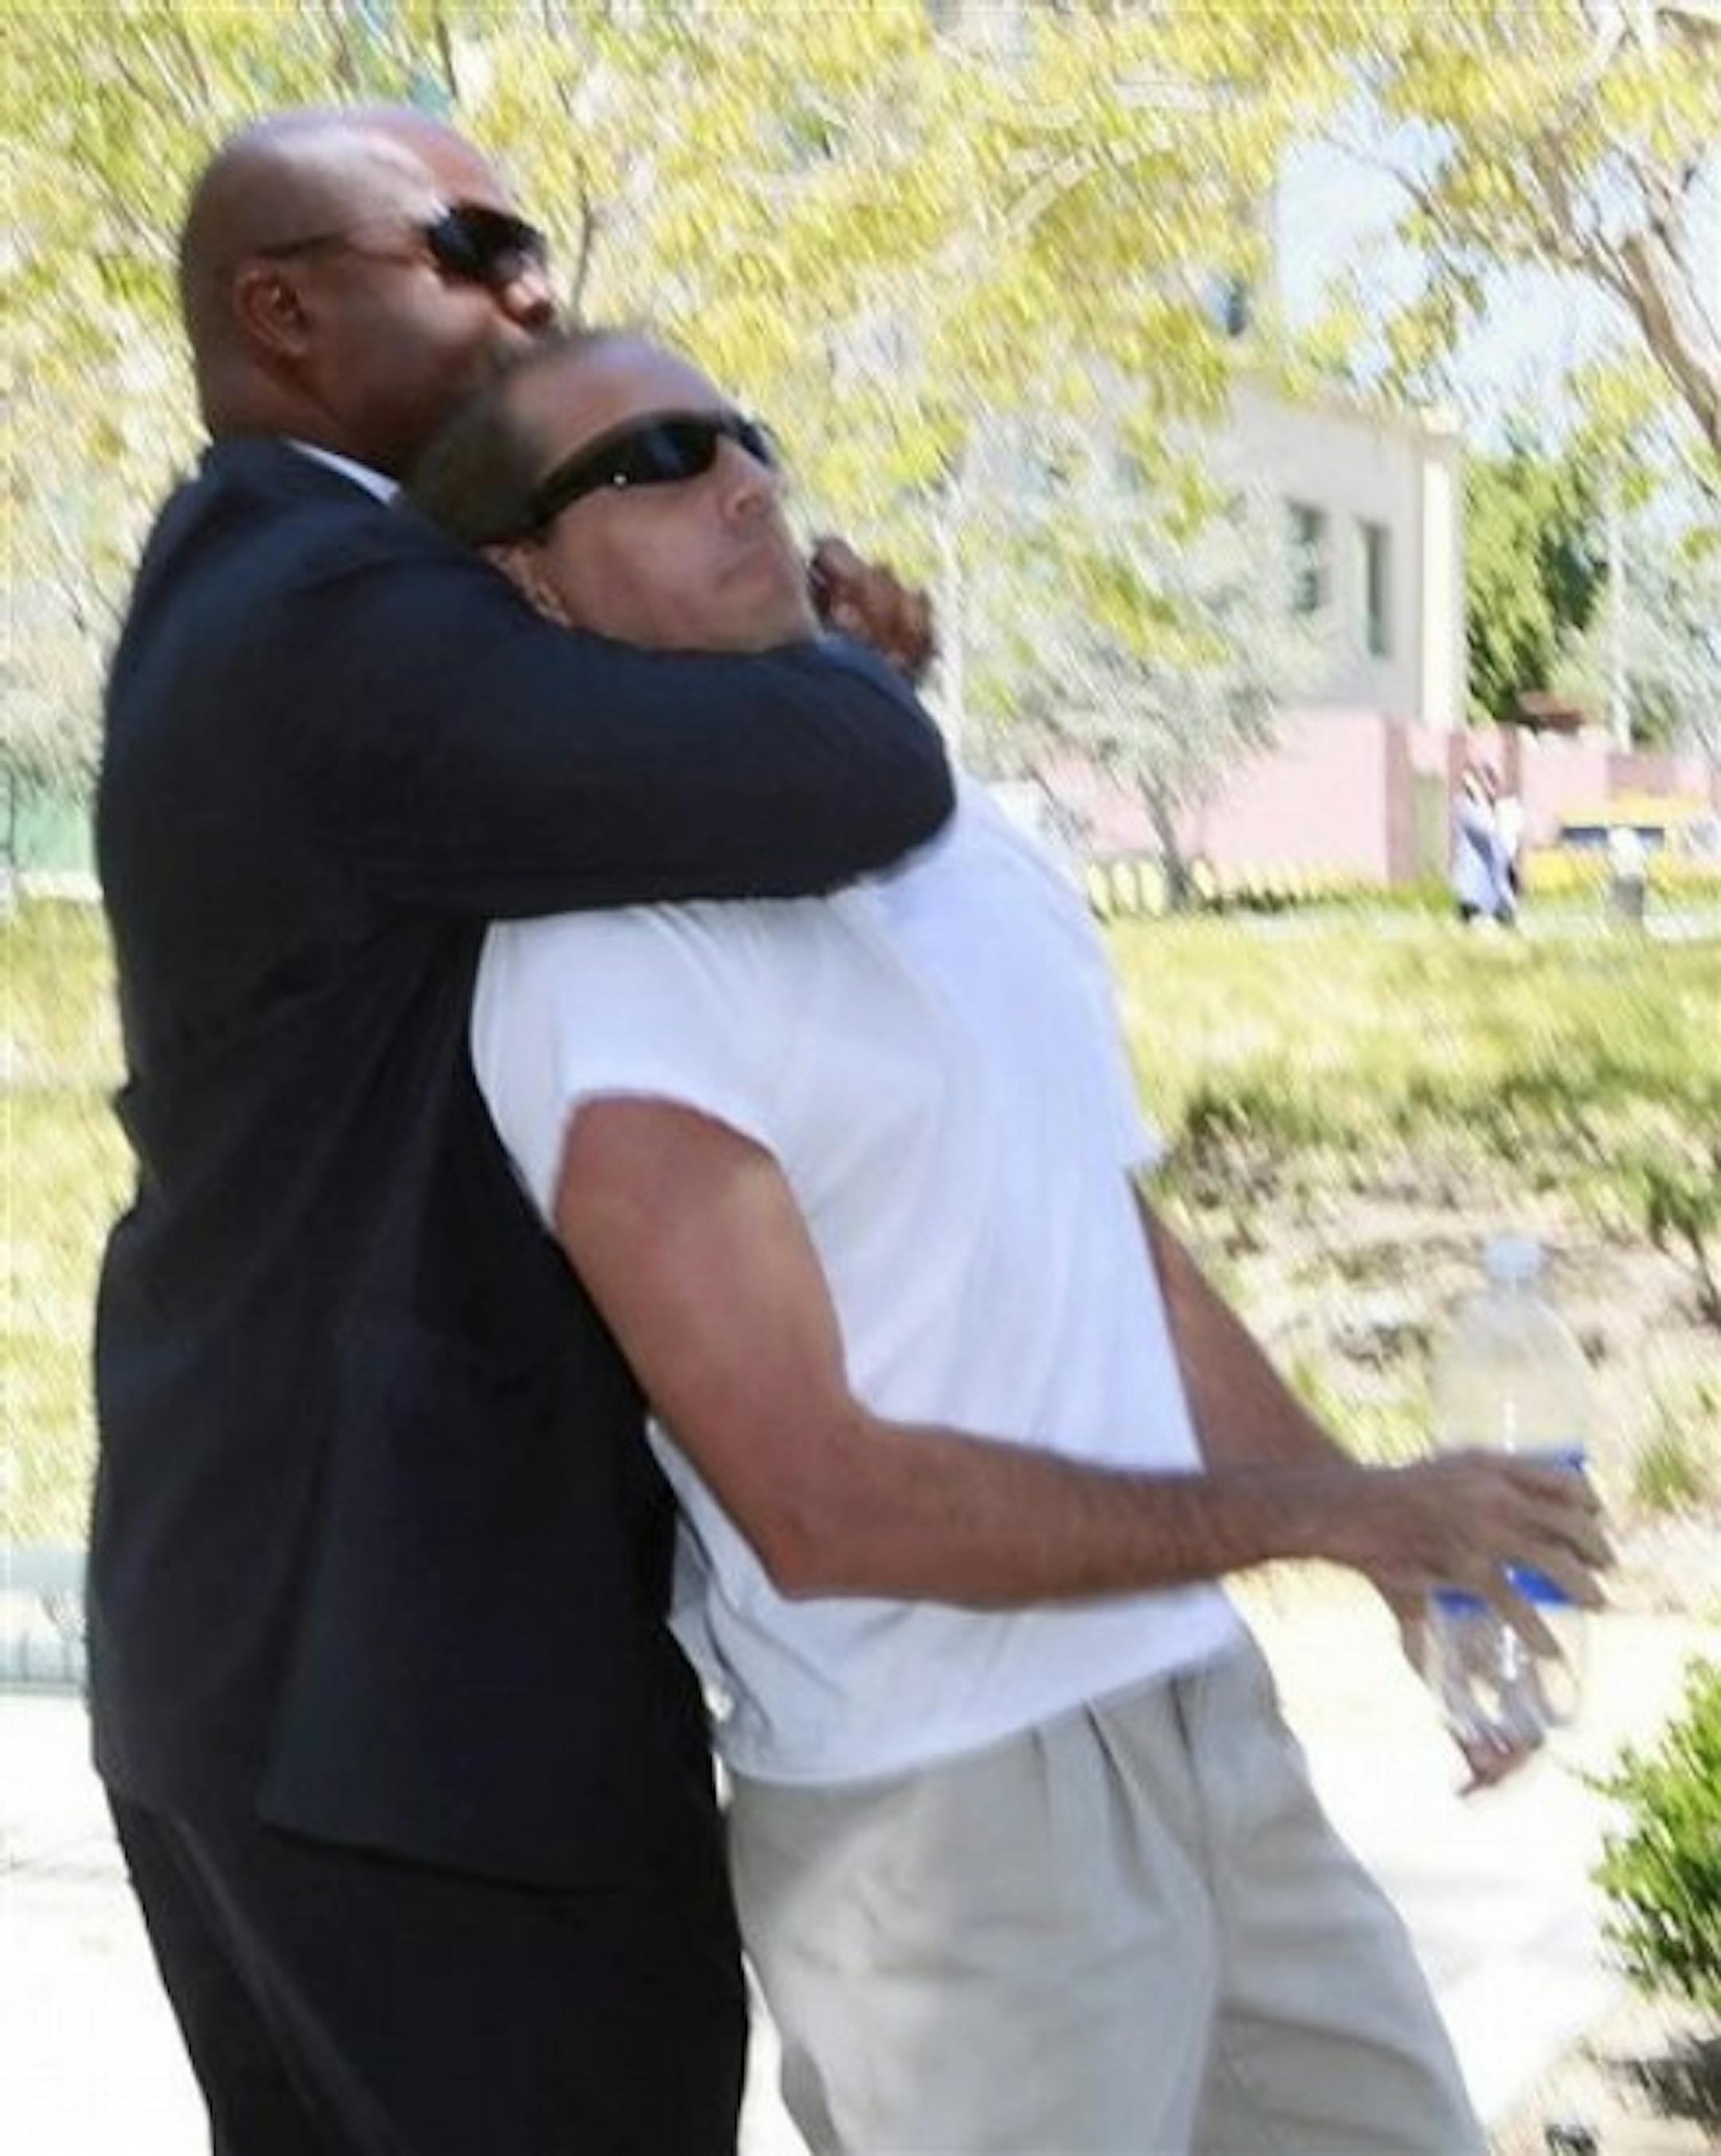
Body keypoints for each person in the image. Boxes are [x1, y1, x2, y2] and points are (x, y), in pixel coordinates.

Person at [410, 328, 1612, 2156]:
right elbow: (819, 1503)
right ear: (523, 578)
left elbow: (1107, 1238)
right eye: (650, 458)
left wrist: (1368, 1531)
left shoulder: (966, 838)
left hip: (1199, 1707)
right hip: (939, 1827)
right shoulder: (603, 957)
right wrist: (1331, 1515)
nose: (741, 476)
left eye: (740, 433)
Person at [91, 108, 952, 2156]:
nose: (532, 287)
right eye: (470, 247)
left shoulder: (252, 587)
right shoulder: (330, 606)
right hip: (414, 1701)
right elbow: (833, 779)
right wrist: (837, 671)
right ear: (278, 311)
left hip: (270, 1664)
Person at [1450, 764, 1514, 925]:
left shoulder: (1502, 809)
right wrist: (1478, 795)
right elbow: (1487, 828)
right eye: (1486, 784)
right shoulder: (1466, 807)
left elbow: (1506, 845)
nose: (1492, 790)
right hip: (1475, 885)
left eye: (1493, 784)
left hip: (1496, 885)